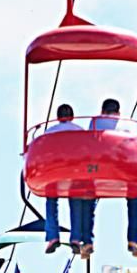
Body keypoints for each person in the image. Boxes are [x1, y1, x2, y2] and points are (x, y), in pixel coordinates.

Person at [89, 98, 137, 258]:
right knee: (134, 201)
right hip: (123, 168)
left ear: (102, 111)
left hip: (100, 168)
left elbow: (90, 142)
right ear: (118, 112)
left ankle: (87, 240)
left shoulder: (96, 122)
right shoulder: (129, 124)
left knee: (87, 199)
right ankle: (133, 241)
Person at [44, 104, 84, 255]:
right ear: (72, 116)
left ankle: (53, 237)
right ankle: (75, 238)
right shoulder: (79, 130)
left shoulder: (49, 131)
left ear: (58, 117)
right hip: (75, 170)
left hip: (55, 170)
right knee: (76, 203)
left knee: (51, 201)